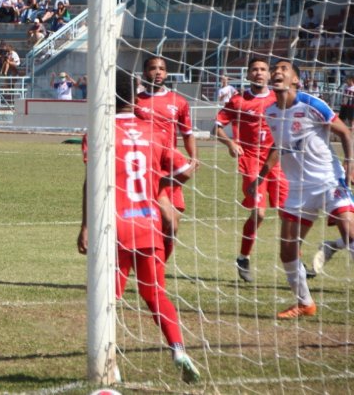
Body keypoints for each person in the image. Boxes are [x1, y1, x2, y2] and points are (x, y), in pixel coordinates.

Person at [77, 70, 200, 385]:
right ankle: (178, 350)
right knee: (155, 293)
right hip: (148, 222)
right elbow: (187, 168)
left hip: (114, 226)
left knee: (108, 297)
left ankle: (109, 363)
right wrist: (159, 187)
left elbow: (91, 182)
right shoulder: (154, 131)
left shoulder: (99, 131)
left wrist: (85, 226)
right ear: (135, 96)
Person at [248, 59, 354, 319]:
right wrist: (260, 177)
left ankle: (334, 245)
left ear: (295, 79)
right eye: (275, 70)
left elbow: (344, 133)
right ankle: (305, 303)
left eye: (283, 69)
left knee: (350, 232)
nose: (277, 72)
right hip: (298, 189)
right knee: (287, 248)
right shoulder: (271, 112)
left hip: (329, 180)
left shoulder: (312, 104)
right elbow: (280, 146)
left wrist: (350, 167)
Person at [214, 58, 289, 282]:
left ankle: (296, 259)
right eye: (254, 70)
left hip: (277, 161)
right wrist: (230, 143)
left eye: (263, 69)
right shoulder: (238, 100)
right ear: (248, 75)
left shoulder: (279, 98)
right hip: (251, 161)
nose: (259, 73)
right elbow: (216, 128)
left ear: (269, 74)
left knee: (290, 214)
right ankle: (244, 257)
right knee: (259, 213)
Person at [135, 56, 198, 261]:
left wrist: (194, 158)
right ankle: (151, 268)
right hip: (145, 167)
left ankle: (157, 265)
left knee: (172, 226)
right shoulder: (135, 101)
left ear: (167, 73)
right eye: (153, 68)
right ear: (145, 73)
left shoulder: (178, 102)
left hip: (171, 168)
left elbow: (187, 134)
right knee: (165, 221)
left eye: (162, 68)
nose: (158, 72)